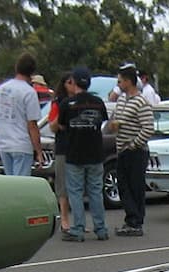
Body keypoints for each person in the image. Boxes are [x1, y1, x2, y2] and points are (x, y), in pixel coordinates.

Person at [56, 67, 110, 243]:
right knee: (95, 191)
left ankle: (78, 229)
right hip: (95, 153)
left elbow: (61, 126)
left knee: (76, 192)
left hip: (75, 153)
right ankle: (101, 228)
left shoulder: (67, 105)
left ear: (74, 82)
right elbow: (103, 121)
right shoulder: (98, 102)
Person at [109, 63, 152, 236]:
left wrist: (134, 144)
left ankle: (136, 221)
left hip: (136, 151)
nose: (119, 84)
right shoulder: (121, 101)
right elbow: (116, 119)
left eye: (120, 81)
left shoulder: (141, 102)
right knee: (123, 186)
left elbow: (148, 128)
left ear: (128, 81)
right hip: (122, 149)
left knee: (135, 186)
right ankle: (130, 218)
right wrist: (114, 126)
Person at [0, 52, 44, 176]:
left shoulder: (1, 89)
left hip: (4, 143)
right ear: (32, 72)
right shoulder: (29, 92)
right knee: (21, 185)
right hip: (21, 144)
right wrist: (39, 151)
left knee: (11, 184)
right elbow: (32, 125)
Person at [48, 73, 73, 232]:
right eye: (70, 82)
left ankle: (79, 220)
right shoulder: (58, 102)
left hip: (78, 147)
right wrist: (61, 120)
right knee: (63, 184)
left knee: (77, 185)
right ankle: (64, 218)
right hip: (63, 147)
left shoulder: (81, 100)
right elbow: (53, 126)